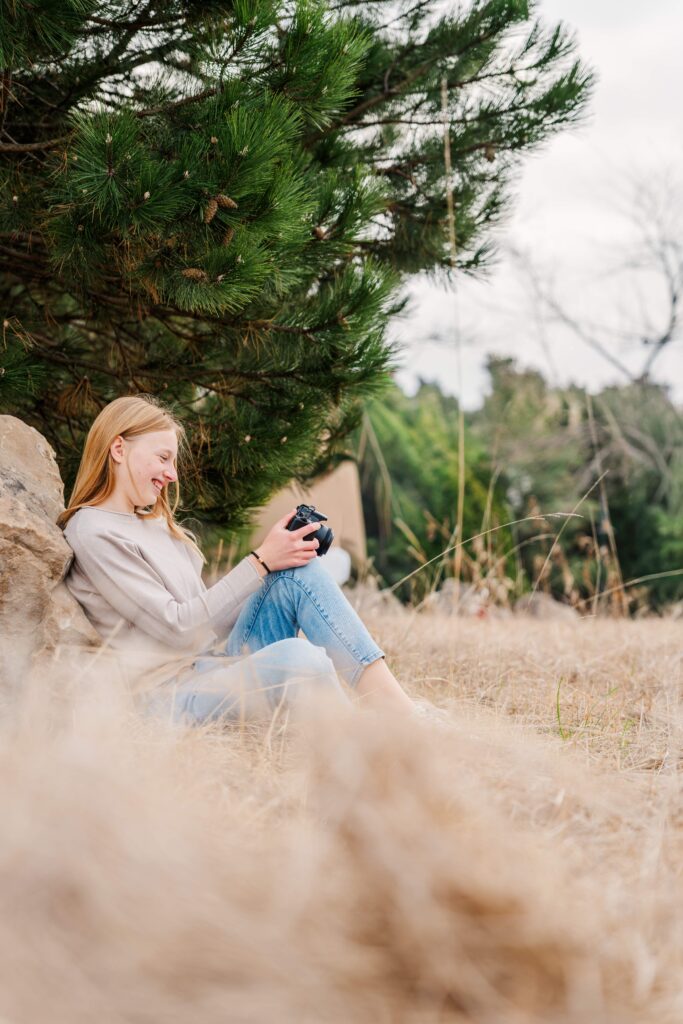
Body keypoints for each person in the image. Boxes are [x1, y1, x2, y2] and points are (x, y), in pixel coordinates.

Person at [57, 394, 420, 727]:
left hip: (211, 667)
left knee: (297, 572)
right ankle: (366, 751)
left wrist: (274, 561)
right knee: (301, 658)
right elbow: (178, 629)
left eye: (173, 462)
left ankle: (401, 713)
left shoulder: (153, 525)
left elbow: (208, 625)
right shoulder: (93, 530)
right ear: (118, 448)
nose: (172, 474)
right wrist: (259, 562)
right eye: (163, 458)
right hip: (168, 697)